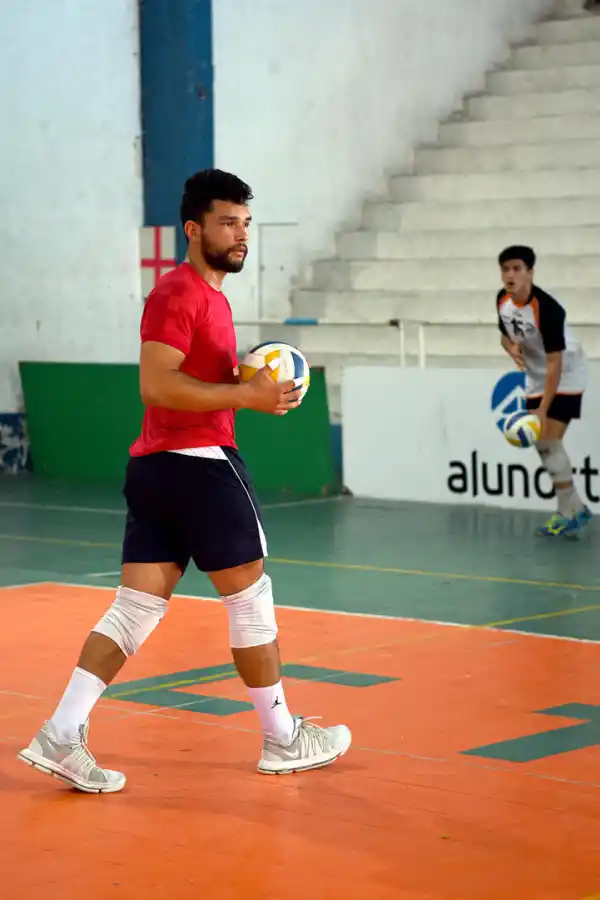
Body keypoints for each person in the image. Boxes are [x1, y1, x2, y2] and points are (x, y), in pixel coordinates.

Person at [17, 169, 351, 792]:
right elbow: (155, 383)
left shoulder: (207, 298)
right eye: (228, 222)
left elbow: (186, 381)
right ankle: (282, 739)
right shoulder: (180, 294)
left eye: (246, 222)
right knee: (250, 602)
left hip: (157, 469)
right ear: (194, 229)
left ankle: (61, 735)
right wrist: (244, 397)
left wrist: (245, 387)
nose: (241, 234)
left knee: (134, 610)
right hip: (199, 466)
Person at [496, 245, 592, 538]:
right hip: (536, 375)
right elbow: (504, 336)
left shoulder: (547, 309)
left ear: (530, 273)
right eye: (505, 269)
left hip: (566, 374)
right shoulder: (503, 300)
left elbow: (555, 364)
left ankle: (568, 513)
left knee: (548, 440)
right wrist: (511, 347)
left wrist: (542, 407)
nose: (510, 274)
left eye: (517, 268)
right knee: (542, 443)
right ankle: (576, 508)